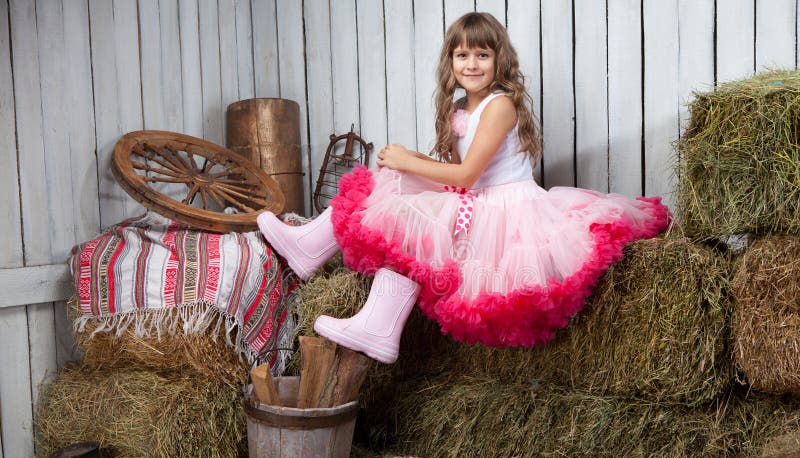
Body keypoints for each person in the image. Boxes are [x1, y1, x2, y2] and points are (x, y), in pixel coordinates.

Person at [257, 12, 670, 364]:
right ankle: (325, 262)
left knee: (408, 202)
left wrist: (410, 162)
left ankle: (367, 310)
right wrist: (408, 161)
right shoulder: (459, 110)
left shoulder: (501, 106)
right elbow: (452, 173)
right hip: (475, 199)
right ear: (451, 61)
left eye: (482, 55)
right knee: (395, 186)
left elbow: (467, 176)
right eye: (462, 55)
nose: (472, 64)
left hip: (506, 212)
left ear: (498, 60)